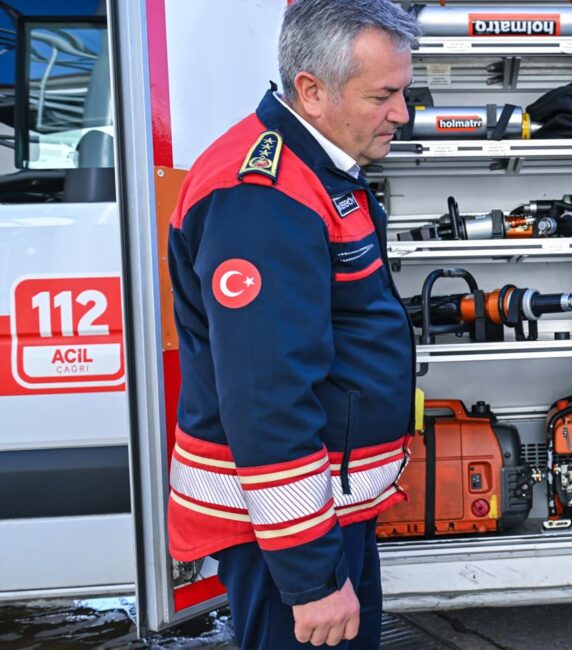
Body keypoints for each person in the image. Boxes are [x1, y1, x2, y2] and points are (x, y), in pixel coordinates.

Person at [165, 1, 419, 647]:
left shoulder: (315, 171)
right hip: (287, 539)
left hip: (321, 518)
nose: (403, 114)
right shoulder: (263, 195)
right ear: (311, 90)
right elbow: (267, 398)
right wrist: (310, 578)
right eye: (384, 95)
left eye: (404, 91)